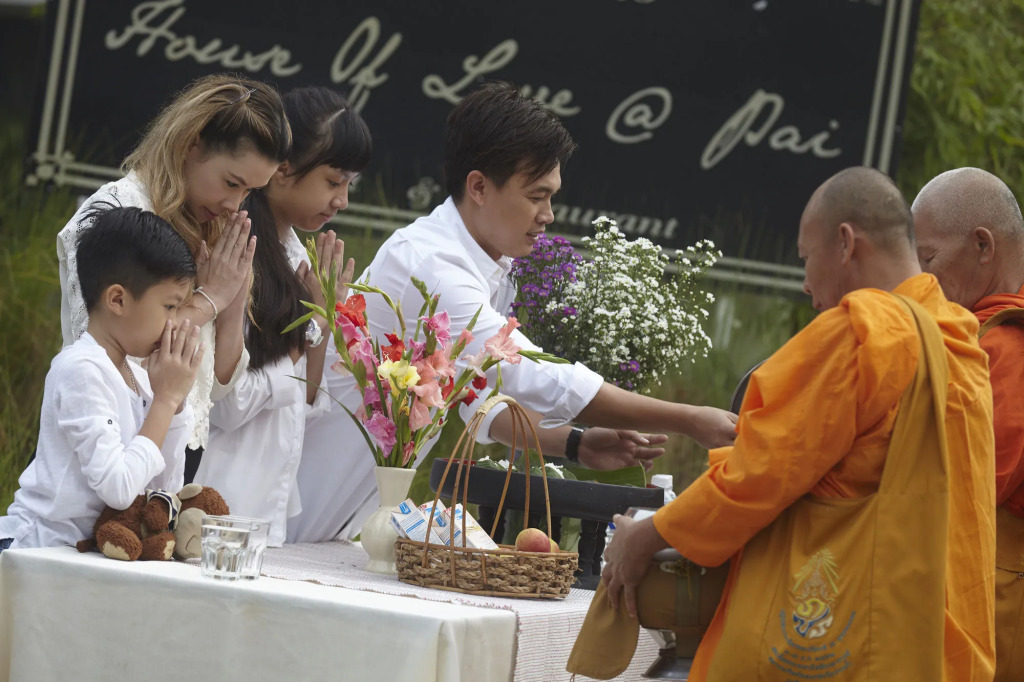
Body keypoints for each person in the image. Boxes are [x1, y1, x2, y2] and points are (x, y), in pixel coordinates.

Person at [592, 167, 995, 680]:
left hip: (851, 642)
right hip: (939, 638)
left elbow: (757, 475)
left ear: (846, 243)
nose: (806, 283)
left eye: (806, 258)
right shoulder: (959, 337)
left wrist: (646, 536)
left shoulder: (861, 334)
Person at [285, 81, 681, 543]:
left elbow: (476, 399)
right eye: (536, 196)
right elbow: (529, 372)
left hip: (338, 518)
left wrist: (575, 443)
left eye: (551, 197)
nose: (548, 214)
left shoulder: (487, 267)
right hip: (293, 506)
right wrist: (690, 420)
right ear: (478, 187)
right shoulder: (430, 264)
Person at [56, 74, 291, 481]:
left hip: (180, 457)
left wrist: (233, 301)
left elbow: (216, 388)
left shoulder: (213, 227)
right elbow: (105, 355)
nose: (234, 204)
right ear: (191, 143)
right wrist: (208, 300)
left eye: (249, 192)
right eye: (231, 182)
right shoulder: (111, 213)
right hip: (103, 456)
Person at [196, 87, 362, 547]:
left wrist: (323, 322)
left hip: (268, 503)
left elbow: (306, 401)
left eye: (350, 185)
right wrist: (310, 327)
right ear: (283, 169)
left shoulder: (296, 257)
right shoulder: (234, 250)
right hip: (216, 499)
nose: (343, 200)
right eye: (334, 181)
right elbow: (227, 404)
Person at [0, 205, 203, 551]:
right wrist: (165, 401)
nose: (174, 323)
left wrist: (176, 405)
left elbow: (162, 490)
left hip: (84, 556)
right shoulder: (81, 369)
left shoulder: (141, 378)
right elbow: (119, 489)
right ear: (118, 299)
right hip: (35, 549)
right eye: (169, 306)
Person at [912, 167, 1024, 682]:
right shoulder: (976, 335)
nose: (919, 278)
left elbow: (970, 488)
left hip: (995, 600)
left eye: (927, 259)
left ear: (983, 246)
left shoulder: (1008, 348)